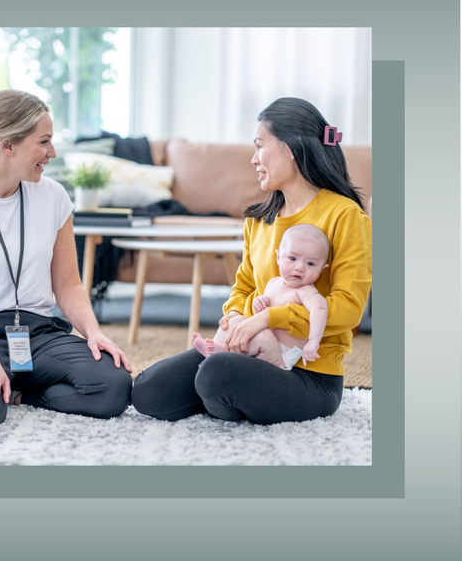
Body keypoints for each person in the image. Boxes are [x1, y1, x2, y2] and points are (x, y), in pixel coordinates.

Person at [131, 97, 372, 425]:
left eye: (260, 146)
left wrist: (269, 318)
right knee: (148, 391)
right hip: (246, 352)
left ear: (291, 148)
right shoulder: (259, 220)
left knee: (215, 375)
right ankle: (229, 393)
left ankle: (224, 391)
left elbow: (349, 309)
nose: (254, 159)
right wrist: (233, 319)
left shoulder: (346, 216)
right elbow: (243, 286)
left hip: (310, 376)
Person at [0, 89, 133, 432]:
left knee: (114, 386)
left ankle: (17, 395)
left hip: (36, 333)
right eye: (44, 142)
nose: (53, 153)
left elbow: (69, 285)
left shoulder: (53, 197)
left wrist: (93, 332)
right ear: (8, 146)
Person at [192, 224, 330, 370]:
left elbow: (320, 309)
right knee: (236, 320)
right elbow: (260, 316)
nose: (300, 267)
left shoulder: (305, 291)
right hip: (263, 342)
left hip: (282, 354)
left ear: (321, 269)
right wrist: (259, 304)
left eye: (310, 263)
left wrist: (313, 341)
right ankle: (216, 350)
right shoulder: (273, 283)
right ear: (278, 257)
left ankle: (222, 353)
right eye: (292, 258)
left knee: (263, 337)